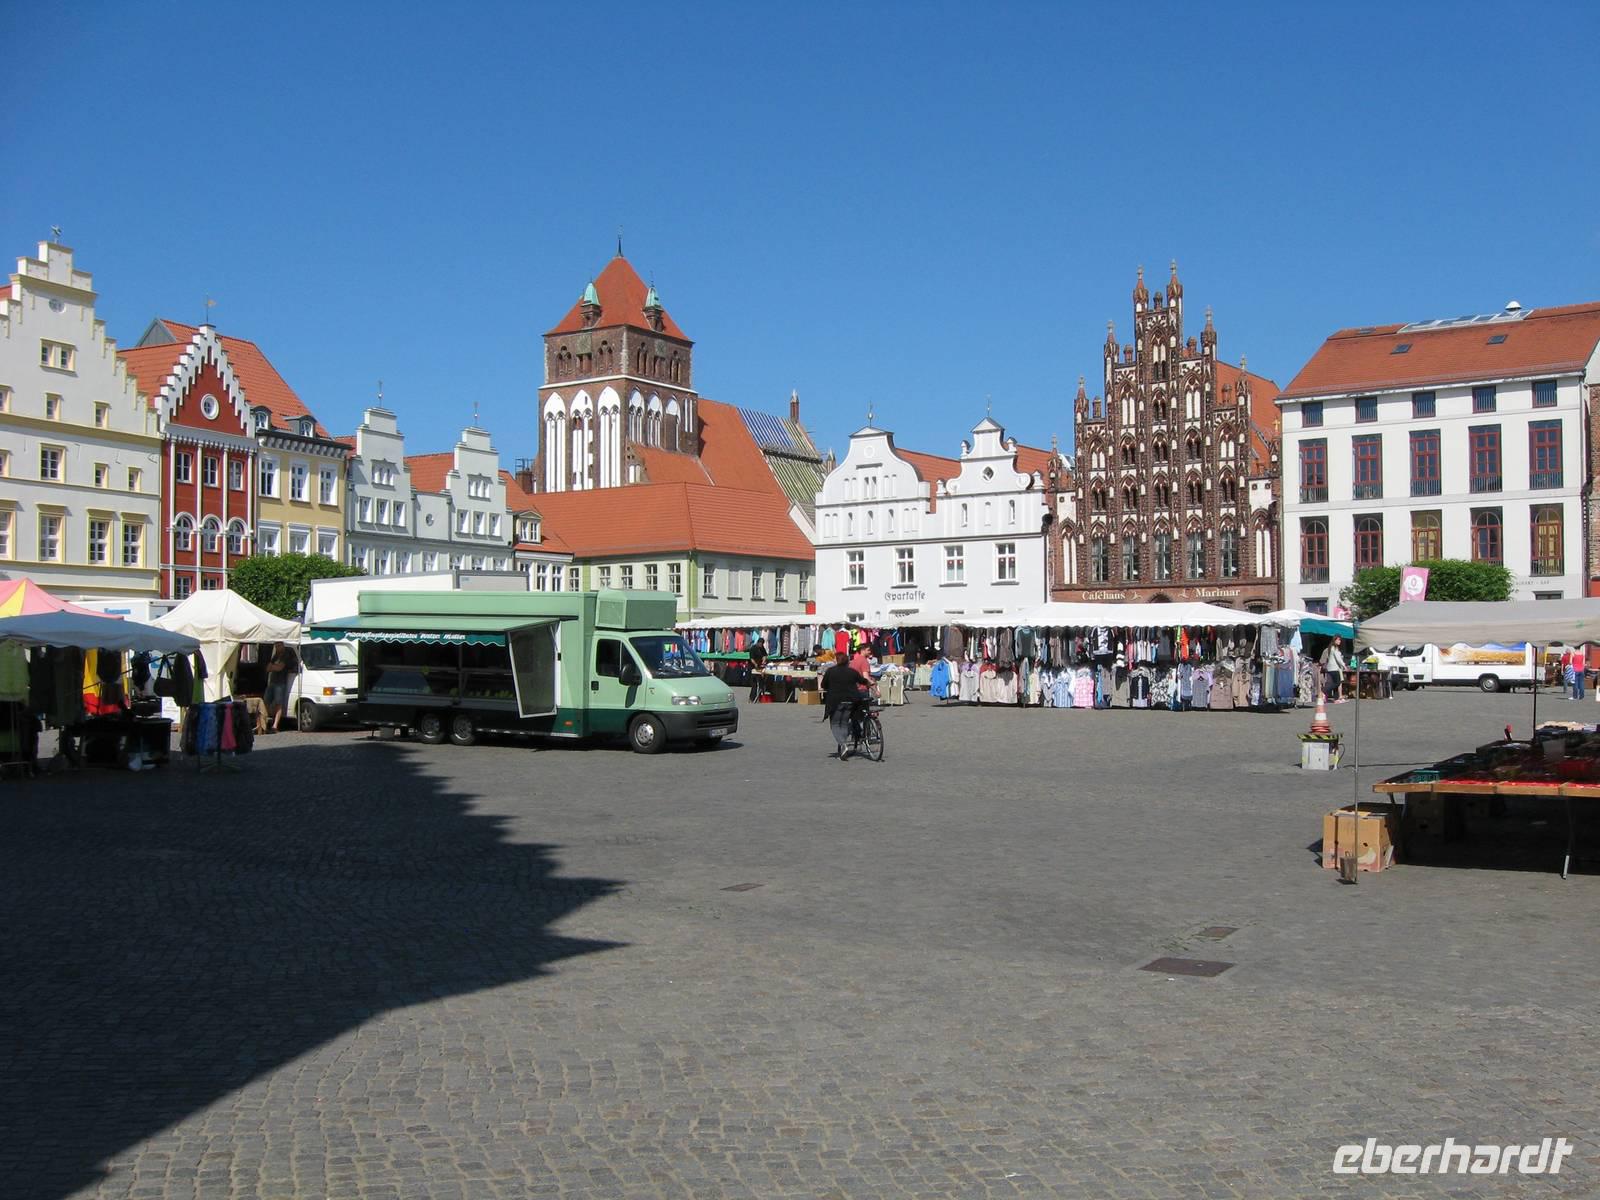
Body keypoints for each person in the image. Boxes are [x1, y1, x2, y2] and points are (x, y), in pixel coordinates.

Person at [819, 650, 872, 760]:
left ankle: (843, 744)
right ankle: (843, 747)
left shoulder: (831, 671)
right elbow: (862, 680)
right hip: (851, 700)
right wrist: (869, 684)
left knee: (834, 724)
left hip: (836, 701)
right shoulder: (851, 672)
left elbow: (823, 684)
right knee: (843, 723)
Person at [264, 641, 299, 732]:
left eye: (279, 646)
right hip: (272, 682)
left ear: (282, 645)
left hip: (280, 683)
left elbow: (280, 668)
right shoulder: (275, 656)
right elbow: (268, 668)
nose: (277, 648)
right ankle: (265, 722)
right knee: (266, 702)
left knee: (279, 704)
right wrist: (274, 666)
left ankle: (275, 725)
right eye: (276, 646)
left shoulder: (285, 655)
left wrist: (273, 667)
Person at [1320, 638, 1347, 704]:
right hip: (1334, 668)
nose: (1339, 641)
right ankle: (1323, 691)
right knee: (1337, 683)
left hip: (1330, 668)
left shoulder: (1330, 648)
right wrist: (1344, 665)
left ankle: (1336, 699)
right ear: (1334, 640)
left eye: (1340, 640)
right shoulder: (1334, 648)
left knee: (1334, 682)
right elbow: (1338, 659)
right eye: (1338, 640)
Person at [747, 637, 769, 701]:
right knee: (754, 684)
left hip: (760, 666)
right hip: (753, 666)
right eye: (760, 643)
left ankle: (760, 697)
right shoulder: (753, 648)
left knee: (761, 682)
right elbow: (751, 659)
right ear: (758, 642)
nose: (761, 645)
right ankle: (752, 698)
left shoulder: (762, 648)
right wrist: (755, 664)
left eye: (762, 644)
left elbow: (765, 655)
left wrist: (764, 660)